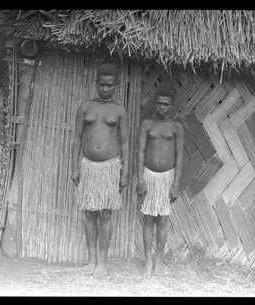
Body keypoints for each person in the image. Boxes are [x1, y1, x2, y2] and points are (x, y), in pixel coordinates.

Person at [71, 63, 129, 275]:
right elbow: (77, 138)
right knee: (88, 213)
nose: (105, 89)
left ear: (116, 85)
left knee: (105, 215)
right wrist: (74, 166)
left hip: (110, 167)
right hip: (88, 166)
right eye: (102, 85)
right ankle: (91, 260)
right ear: (96, 83)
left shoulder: (119, 110)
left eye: (109, 85)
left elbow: (125, 143)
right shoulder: (85, 107)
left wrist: (125, 172)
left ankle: (102, 262)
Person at [137, 86, 184, 277]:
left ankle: (159, 259)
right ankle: (148, 259)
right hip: (149, 176)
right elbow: (140, 152)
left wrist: (176, 185)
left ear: (172, 106)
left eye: (166, 104)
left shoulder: (177, 127)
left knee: (162, 221)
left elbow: (180, 157)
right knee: (148, 219)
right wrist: (140, 179)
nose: (162, 107)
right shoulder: (147, 124)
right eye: (159, 103)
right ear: (154, 104)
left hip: (167, 178)